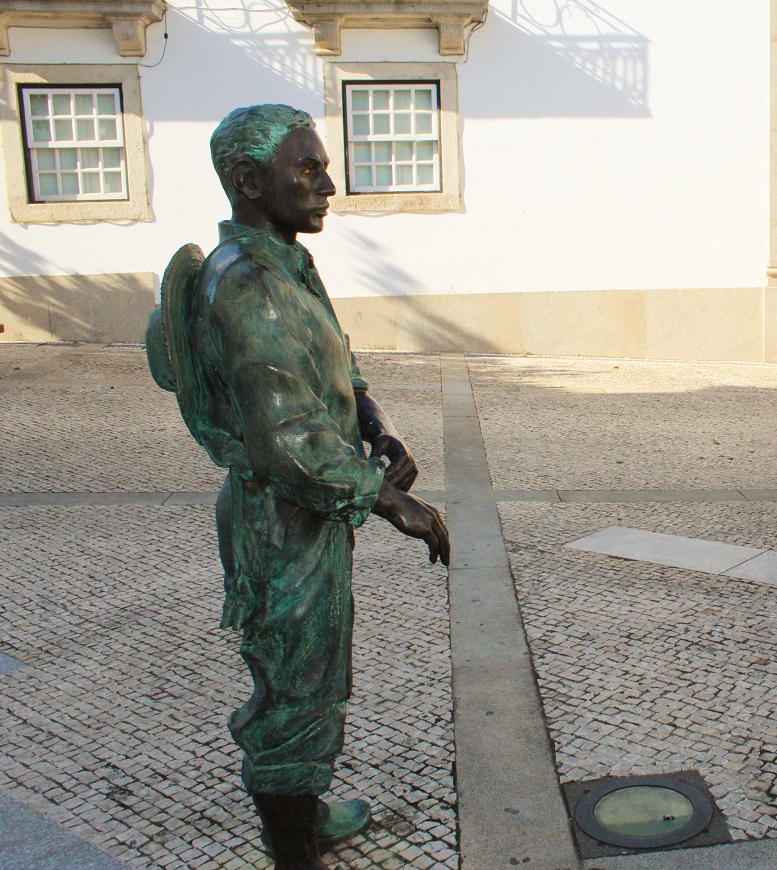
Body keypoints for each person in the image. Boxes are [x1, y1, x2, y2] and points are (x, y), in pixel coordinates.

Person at [146, 104, 449, 869]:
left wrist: (377, 427)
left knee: (313, 675)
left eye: (323, 168)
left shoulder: (287, 264)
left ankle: (305, 814)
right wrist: (392, 502)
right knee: (293, 694)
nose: (328, 185)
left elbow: (337, 368)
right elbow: (287, 439)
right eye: (307, 169)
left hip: (307, 517)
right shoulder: (248, 284)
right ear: (250, 181)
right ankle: (295, 855)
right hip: (278, 521)